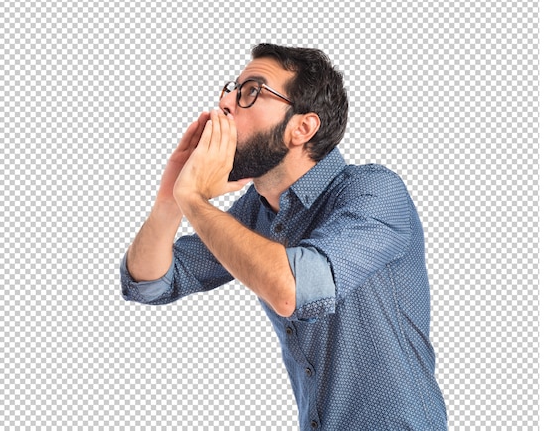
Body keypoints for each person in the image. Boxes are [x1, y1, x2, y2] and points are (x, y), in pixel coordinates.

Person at [120, 43, 448, 430]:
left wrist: (193, 199)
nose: (225, 103)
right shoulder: (255, 212)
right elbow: (150, 282)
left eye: (251, 91)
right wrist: (170, 200)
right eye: (230, 89)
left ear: (302, 128)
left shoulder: (374, 191)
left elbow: (292, 287)